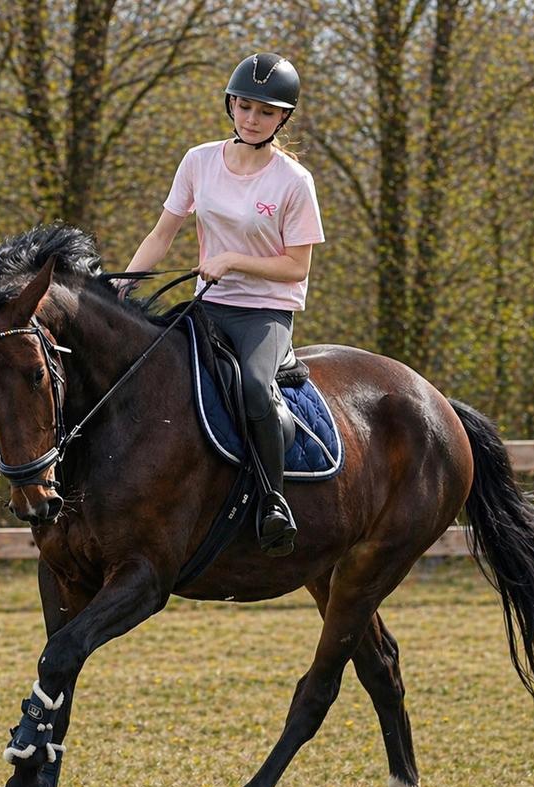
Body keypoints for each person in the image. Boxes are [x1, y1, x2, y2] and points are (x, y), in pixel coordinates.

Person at [120, 52, 325, 557]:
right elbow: (162, 233)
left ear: (283, 118)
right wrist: (123, 285)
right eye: (244, 106)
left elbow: (296, 267)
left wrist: (232, 259)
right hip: (207, 305)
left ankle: (274, 504)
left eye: (265, 111)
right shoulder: (199, 161)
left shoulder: (294, 183)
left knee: (255, 388)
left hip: (265, 313)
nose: (252, 119)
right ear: (230, 104)